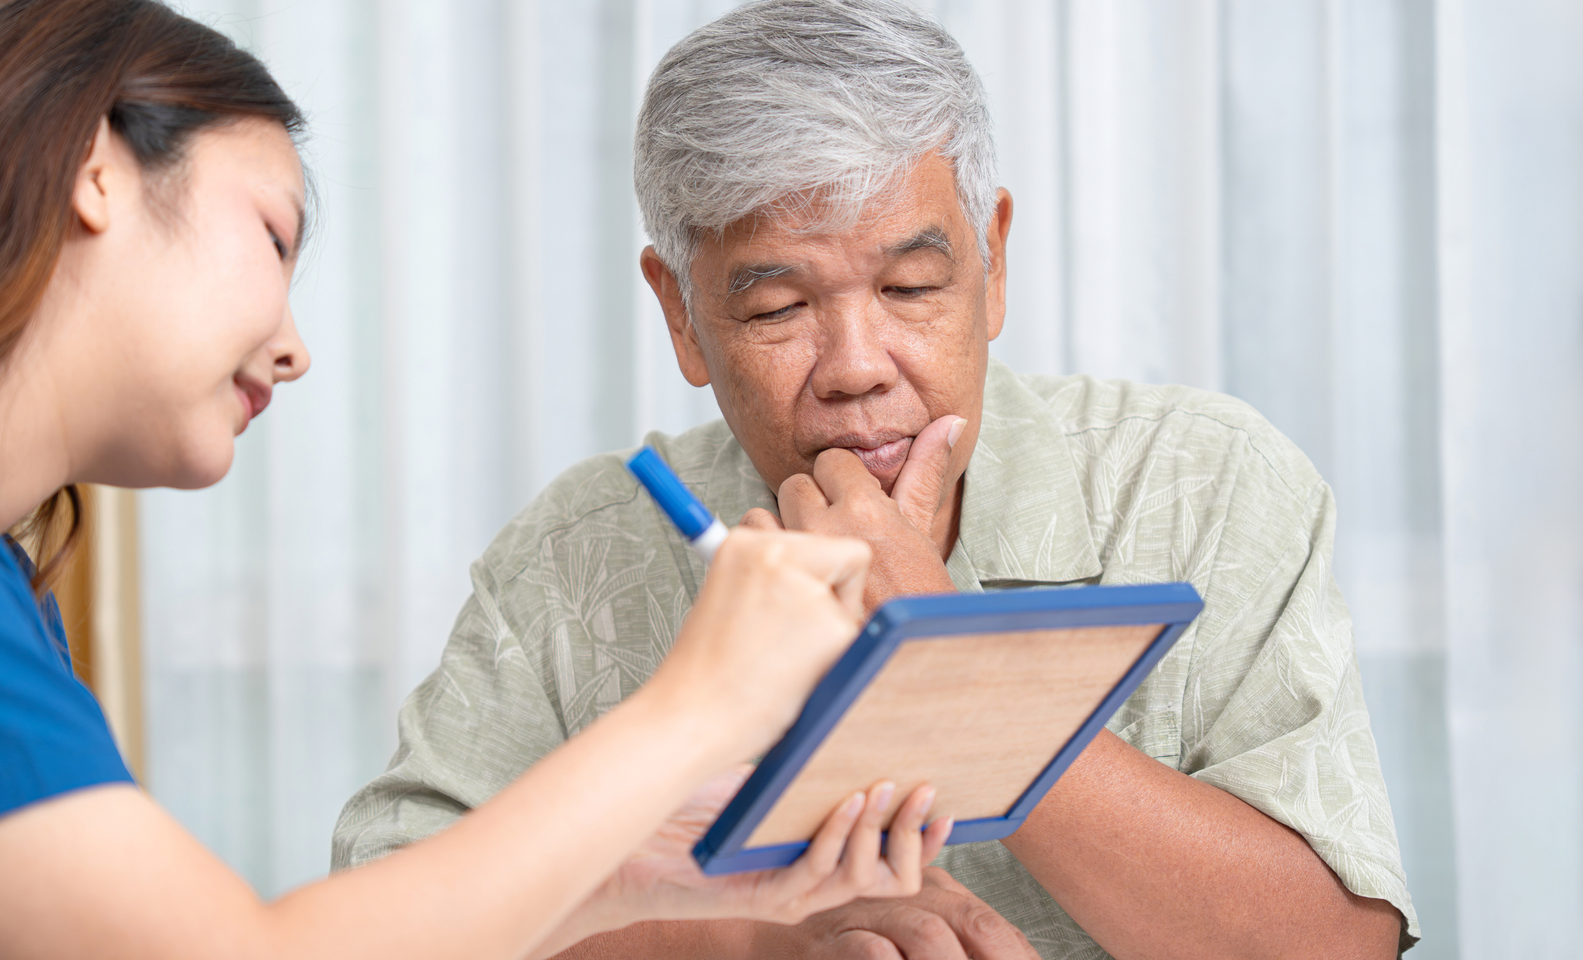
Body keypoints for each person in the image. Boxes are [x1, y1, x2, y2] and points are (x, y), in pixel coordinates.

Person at [0, 2, 953, 958]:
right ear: (94, 170)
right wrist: (699, 699)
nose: (294, 344)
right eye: (273, 234)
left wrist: (655, 879)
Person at [330, 1, 1419, 958]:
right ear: (682, 315)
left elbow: (1333, 941)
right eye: (777, 309)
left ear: (991, 263)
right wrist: (752, 939)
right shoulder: (576, 557)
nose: (856, 368)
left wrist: (951, 664)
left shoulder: (1203, 484)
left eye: (909, 286)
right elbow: (373, 928)